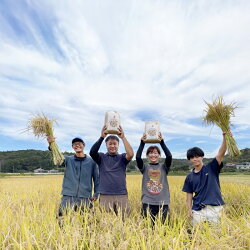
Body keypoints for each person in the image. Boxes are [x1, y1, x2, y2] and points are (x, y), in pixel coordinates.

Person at [182, 131, 230, 226]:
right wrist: (189, 210)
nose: (195, 159)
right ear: (189, 160)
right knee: (197, 234)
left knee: (215, 234)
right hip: (197, 209)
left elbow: (221, 152)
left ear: (202, 157)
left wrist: (225, 137)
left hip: (214, 208)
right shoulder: (189, 176)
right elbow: (189, 195)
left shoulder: (212, 168)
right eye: (192, 157)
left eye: (197, 156)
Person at [47, 136, 99, 218]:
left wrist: (96, 194)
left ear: (84, 145)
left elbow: (97, 179)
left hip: (85, 197)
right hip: (68, 196)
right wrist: (51, 144)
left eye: (79, 144)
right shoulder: (68, 159)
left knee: (88, 221)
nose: (77, 145)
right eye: (75, 144)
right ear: (72, 147)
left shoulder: (92, 162)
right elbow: (57, 158)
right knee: (62, 220)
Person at [90, 125, 134, 216]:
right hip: (105, 194)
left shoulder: (122, 158)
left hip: (121, 194)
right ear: (106, 145)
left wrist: (123, 137)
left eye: (115, 143)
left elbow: (130, 154)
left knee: (124, 221)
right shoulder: (101, 157)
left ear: (118, 145)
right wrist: (102, 137)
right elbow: (92, 153)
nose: (112, 146)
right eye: (110, 144)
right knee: (106, 222)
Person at [136, 132, 172, 226]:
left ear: (159, 155)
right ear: (147, 156)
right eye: (150, 153)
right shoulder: (145, 168)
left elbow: (169, 156)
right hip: (147, 202)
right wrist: (142, 143)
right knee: (148, 228)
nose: (153, 155)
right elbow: (138, 157)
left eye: (156, 153)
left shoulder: (164, 167)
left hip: (163, 202)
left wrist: (162, 142)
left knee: (164, 228)